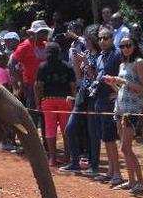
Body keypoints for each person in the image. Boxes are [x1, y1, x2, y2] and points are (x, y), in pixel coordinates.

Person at [104, 36, 143, 194]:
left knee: (125, 147)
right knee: (124, 149)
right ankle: (131, 181)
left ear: (134, 46)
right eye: (122, 46)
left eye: (128, 45)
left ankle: (141, 182)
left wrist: (123, 82)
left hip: (133, 109)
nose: (125, 48)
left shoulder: (139, 63)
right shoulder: (123, 64)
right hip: (120, 108)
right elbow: (123, 89)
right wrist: (114, 84)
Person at [64, 25, 101, 174]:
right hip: (82, 93)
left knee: (93, 132)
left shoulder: (99, 56)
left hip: (94, 94)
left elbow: (95, 77)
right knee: (70, 128)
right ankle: (74, 162)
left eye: (88, 39)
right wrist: (76, 62)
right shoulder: (85, 52)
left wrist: (85, 61)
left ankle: (94, 166)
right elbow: (80, 77)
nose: (85, 41)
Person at [34, 42, 76, 166]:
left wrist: (38, 102)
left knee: (50, 129)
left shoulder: (43, 67)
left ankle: (52, 158)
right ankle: (68, 157)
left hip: (48, 100)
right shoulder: (67, 66)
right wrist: (74, 102)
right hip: (65, 100)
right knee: (66, 130)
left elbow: (38, 86)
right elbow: (73, 86)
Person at [92, 26, 124, 186]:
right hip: (100, 100)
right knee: (105, 137)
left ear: (112, 39)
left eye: (106, 38)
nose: (102, 41)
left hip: (111, 102)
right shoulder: (100, 56)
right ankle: (111, 171)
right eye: (100, 38)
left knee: (111, 138)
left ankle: (117, 173)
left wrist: (118, 93)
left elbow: (123, 76)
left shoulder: (118, 54)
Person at [10, 20, 52, 108]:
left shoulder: (46, 45)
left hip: (46, 83)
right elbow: (12, 64)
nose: (45, 34)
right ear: (33, 33)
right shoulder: (25, 46)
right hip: (30, 85)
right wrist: (19, 82)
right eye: (42, 32)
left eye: (45, 32)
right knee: (33, 110)